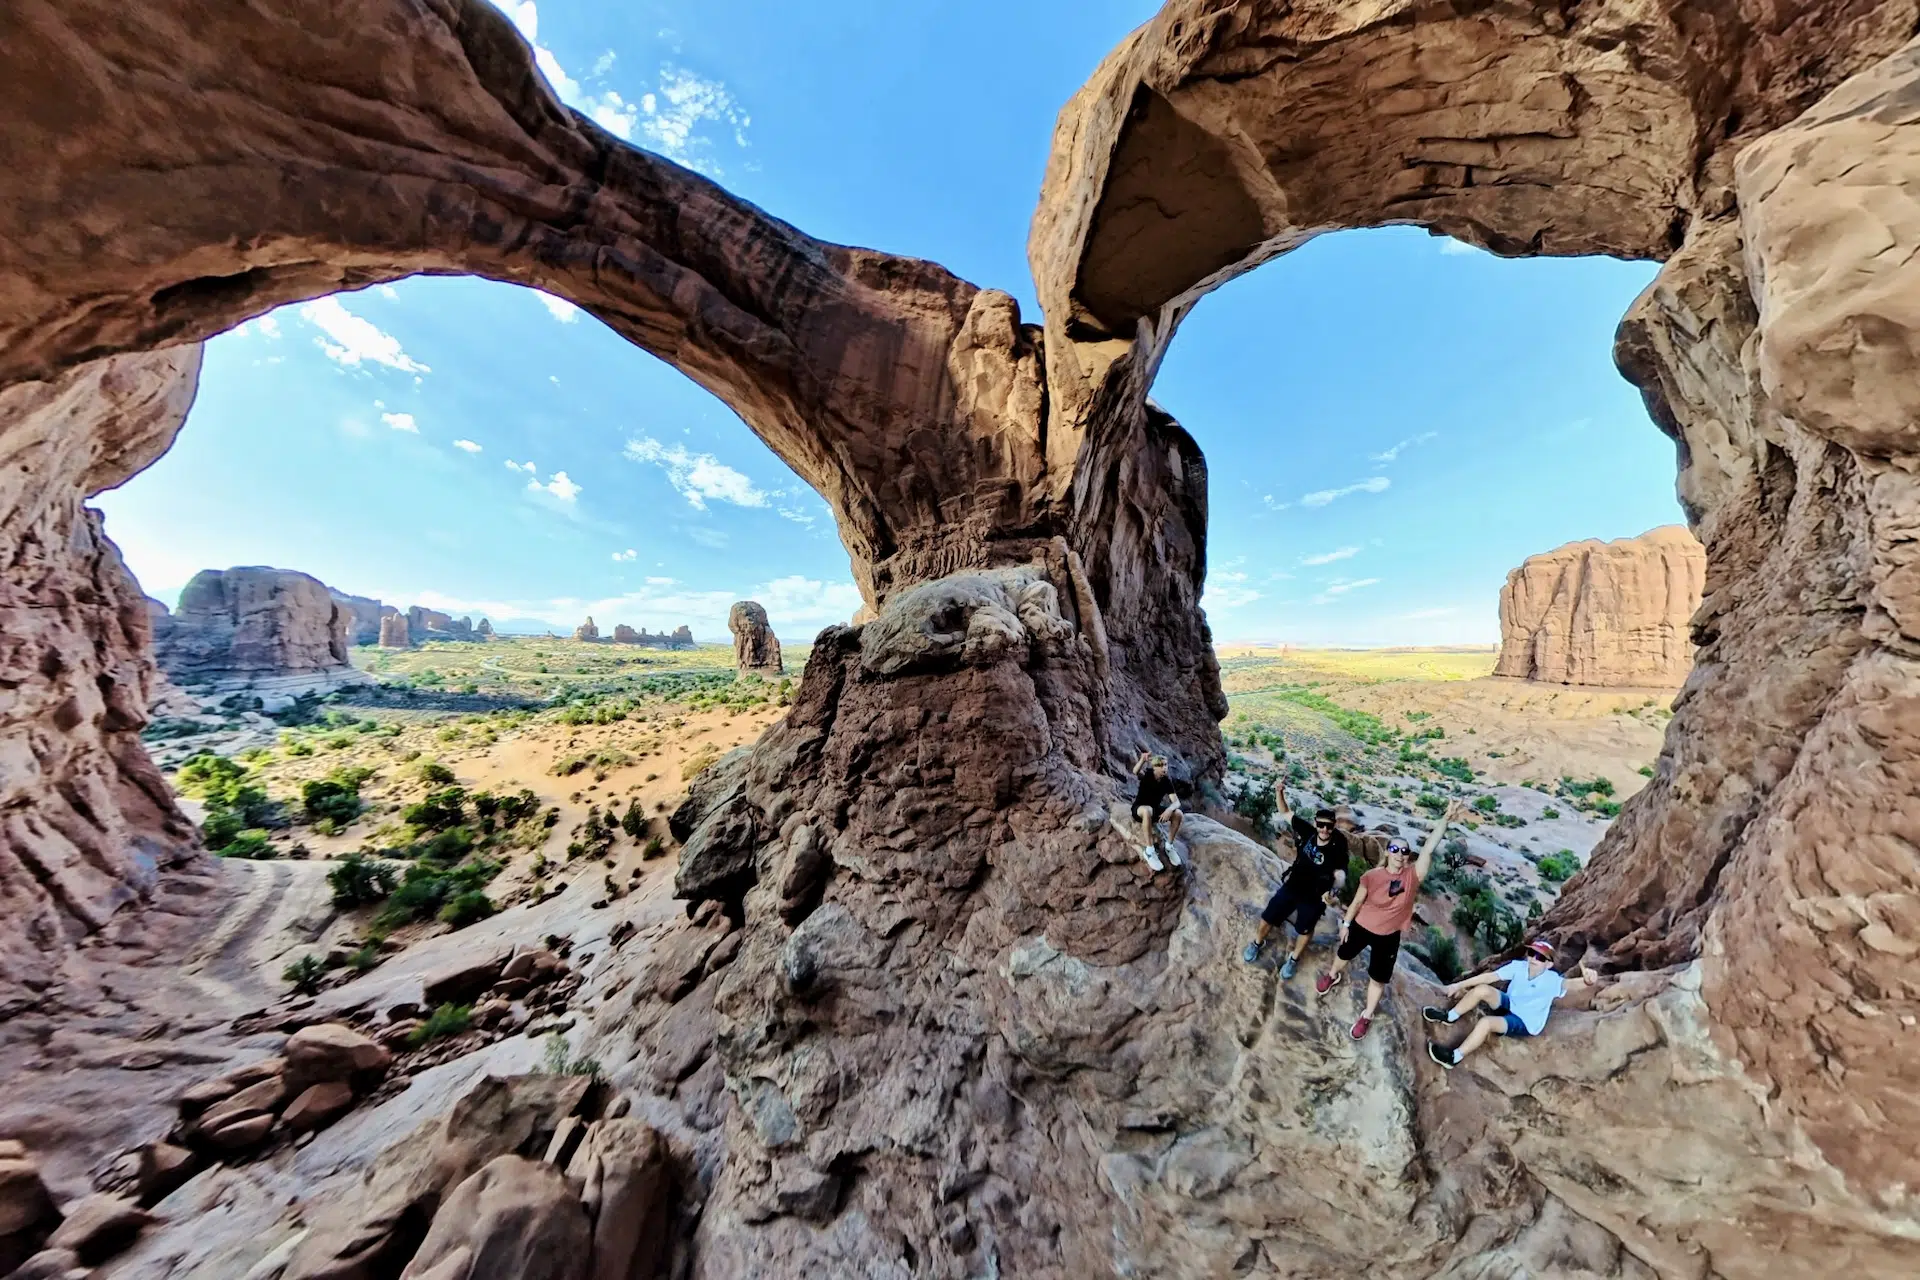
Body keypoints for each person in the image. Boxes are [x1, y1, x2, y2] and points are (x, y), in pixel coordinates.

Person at [1315, 798, 1468, 1040]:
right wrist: (1346, 924)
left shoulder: (1412, 876)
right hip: (1361, 926)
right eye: (1395, 849)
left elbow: (1428, 848)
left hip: (1388, 937)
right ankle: (1332, 975)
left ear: (1408, 857)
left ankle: (1366, 1015)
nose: (1399, 854)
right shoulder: (1371, 876)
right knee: (1343, 954)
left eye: (1404, 851)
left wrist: (1445, 820)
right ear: (1388, 852)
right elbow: (1356, 902)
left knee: (1378, 977)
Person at [1423, 938, 1601, 1068]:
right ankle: (1449, 1016)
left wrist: (1588, 981)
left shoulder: (1552, 980)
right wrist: (1458, 985)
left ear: (1548, 964)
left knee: (1486, 1023)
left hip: (1525, 1020)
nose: (1533, 959)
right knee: (1483, 989)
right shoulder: (1519, 966)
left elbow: (1570, 985)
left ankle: (1453, 1058)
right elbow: (1490, 976)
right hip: (1512, 1003)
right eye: (1532, 953)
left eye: (1540, 957)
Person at [1243, 795, 1347, 979]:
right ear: (1315, 823)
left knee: (1305, 929)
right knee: (1268, 916)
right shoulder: (1308, 831)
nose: (1324, 829)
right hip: (1294, 885)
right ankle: (1257, 943)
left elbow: (1340, 874)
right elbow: (1284, 812)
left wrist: (1333, 891)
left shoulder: (1338, 844)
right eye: (1321, 825)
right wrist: (1279, 791)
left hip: (1315, 895)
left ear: (1334, 825)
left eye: (1329, 826)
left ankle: (1294, 958)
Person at [1130, 750, 1186, 872]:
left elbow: (1176, 802)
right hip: (1140, 808)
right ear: (1154, 767)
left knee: (1178, 813)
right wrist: (1142, 760)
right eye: (1160, 765)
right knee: (1147, 810)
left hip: (1154, 810)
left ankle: (1169, 846)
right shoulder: (1148, 775)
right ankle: (1149, 851)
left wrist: (1170, 810)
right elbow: (1135, 772)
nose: (1164, 768)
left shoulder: (1166, 781)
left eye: (1165, 764)